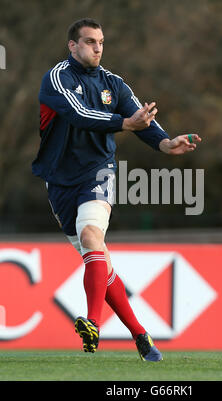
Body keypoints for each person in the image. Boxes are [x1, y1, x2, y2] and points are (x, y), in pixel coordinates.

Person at [32, 18, 201, 361]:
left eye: (101, 42)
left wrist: (165, 142)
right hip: (60, 180)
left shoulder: (114, 83)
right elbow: (79, 114)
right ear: (72, 45)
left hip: (98, 171)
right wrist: (125, 123)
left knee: (92, 236)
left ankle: (92, 322)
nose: (97, 47)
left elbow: (140, 117)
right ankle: (140, 334)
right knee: (101, 263)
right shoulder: (57, 78)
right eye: (90, 41)